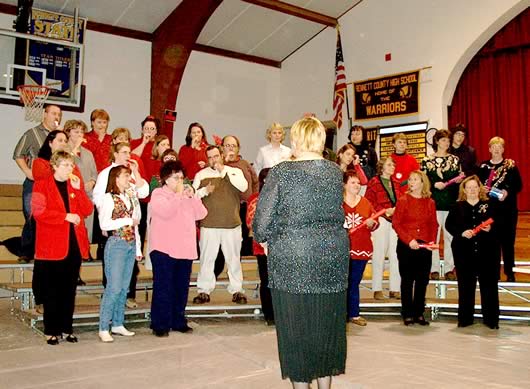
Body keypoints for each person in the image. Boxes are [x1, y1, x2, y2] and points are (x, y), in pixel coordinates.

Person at [253, 116, 349, 388]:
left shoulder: (281, 171)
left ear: (295, 139)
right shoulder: (334, 172)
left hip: (292, 258)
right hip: (331, 256)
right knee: (326, 329)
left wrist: (265, 238)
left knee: (296, 332)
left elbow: (261, 221)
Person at [31, 151, 93, 345]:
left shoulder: (74, 185)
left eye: (71, 165)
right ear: (55, 166)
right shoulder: (42, 185)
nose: (70, 169)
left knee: (69, 290)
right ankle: (51, 330)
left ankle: (67, 328)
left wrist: (80, 190)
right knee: (52, 290)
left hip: (73, 245)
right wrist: (64, 216)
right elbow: (38, 212)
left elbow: (87, 210)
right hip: (51, 246)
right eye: (65, 165)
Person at [149, 161, 207, 337]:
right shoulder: (158, 194)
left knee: (181, 287)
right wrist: (179, 195)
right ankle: (160, 323)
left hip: (185, 248)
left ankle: (178, 320)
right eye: (176, 178)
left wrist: (193, 197)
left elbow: (202, 214)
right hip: (164, 248)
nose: (180, 181)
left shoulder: (185, 195)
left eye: (182, 178)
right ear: (166, 179)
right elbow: (166, 212)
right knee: (163, 286)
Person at [92, 142, 149, 309]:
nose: (127, 155)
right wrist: (105, 222)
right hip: (115, 226)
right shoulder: (106, 173)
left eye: (129, 152)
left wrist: (137, 172)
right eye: (124, 152)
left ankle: (127, 296)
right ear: (115, 154)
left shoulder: (129, 173)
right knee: (112, 266)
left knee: (129, 265)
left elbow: (144, 192)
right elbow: (98, 198)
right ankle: (110, 298)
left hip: (132, 227)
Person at [192, 145, 248, 305]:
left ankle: (237, 290)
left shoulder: (234, 171)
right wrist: (204, 191)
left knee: (234, 259)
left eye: (216, 156)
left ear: (222, 155)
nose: (213, 160)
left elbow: (243, 187)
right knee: (207, 259)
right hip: (209, 224)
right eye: (209, 157)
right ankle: (203, 290)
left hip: (232, 224)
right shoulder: (201, 175)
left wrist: (224, 170)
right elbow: (192, 196)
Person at [445, 176, 500, 329]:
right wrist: (461, 233)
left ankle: (491, 320)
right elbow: (449, 225)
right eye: (469, 188)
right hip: (464, 253)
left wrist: (491, 229)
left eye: (475, 187)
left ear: (479, 188)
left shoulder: (490, 205)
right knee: (465, 287)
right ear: (464, 190)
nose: (472, 190)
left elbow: (501, 223)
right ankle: (465, 319)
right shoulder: (457, 207)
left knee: (489, 287)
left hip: (487, 253)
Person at [97, 165, 142, 342]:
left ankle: (118, 323)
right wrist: (127, 220)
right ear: (115, 178)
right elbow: (104, 224)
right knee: (114, 287)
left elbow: (136, 226)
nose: (128, 179)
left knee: (124, 287)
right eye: (125, 176)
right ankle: (103, 326)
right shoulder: (108, 198)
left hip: (130, 244)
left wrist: (137, 248)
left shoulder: (129, 197)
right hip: (116, 244)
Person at [13, 104, 62, 263]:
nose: (57, 117)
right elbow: (18, 154)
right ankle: (26, 251)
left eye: (59, 114)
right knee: (31, 216)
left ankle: (44, 251)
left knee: (49, 219)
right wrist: (27, 171)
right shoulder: (32, 133)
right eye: (54, 113)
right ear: (44, 114)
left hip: (53, 184)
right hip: (34, 184)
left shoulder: (61, 137)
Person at [392, 170, 438, 326]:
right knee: (407, 280)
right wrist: (409, 239)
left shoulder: (430, 202)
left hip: (424, 245)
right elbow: (396, 223)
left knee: (422, 280)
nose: (411, 182)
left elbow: (434, 224)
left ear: (422, 182)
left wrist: (431, 241)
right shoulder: (403, 200)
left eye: (415, 179)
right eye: (410, 179)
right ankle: (407, 313)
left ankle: (419, 313)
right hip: (407, 245)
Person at [477, 136, 522, 282]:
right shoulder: (483, 167)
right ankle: (493, 273)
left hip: (508, 211)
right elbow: (475, 186)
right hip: (490, 211)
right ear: (489, 149)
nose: (496, 149)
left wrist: (507, 191)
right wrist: (481, 189)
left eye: (499, 146)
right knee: (491, 243)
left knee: (508, 242)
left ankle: (510, 272)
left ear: (503, 149)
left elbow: (519, 185)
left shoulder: (510, 165)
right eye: (493, 146)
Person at [214, 135, 259, 276]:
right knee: (220, 243)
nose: (231, 148)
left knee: (238, 243)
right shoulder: (217, 164)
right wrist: (223, 163)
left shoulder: (245, 164)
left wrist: (253, 200)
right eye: (227, 145)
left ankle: (234, 274)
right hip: (224, 210)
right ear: (222, 148)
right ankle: (215, 272)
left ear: (238, 148)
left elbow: (255, 182)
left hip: (242, 208)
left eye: (233, 145)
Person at [421, 129, 462, 281]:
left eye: (448, 140)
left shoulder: (455, 160)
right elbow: (423, 182)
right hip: (433, 205)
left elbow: (459, 180)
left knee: (451, 237)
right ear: (437, 141)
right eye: (443, 140)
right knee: (434, 238)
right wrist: (433, 184)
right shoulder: (427, 160)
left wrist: (459, 181)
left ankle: (450, 268)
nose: (446, 143)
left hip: (451, 204)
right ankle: (434, 268)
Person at [365, 157, 404, 300]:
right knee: (379, 254)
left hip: (395, 221)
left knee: (395, 255)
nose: (392, 167)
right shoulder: (373, 183)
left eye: (393, 165)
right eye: (389, 164)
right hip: (381, 219)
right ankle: (377, 288)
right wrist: (383, 211)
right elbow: (369, 202)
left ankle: (395, 288)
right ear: (381, 167)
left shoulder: (397, 183)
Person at [343, 170, 377, 326]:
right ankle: (341, 313)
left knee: (354, 281)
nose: (357, 185)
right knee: (342, 282)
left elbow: (375, 221)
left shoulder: (365, 202)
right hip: (341, 249)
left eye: (358, 182)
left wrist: (372, 223)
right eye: (352, 182)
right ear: (344, 184)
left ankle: (354, 314)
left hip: (361, 248)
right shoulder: (338, 203)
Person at [245, 168, 274, 325]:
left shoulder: (281, 198)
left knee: (278, 280)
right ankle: (269, 314)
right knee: (266, 279)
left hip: (279, 245)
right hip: (261, 245)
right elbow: (251, 222)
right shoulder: (255, 199)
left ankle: (279, 312)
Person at [63, 120, 97, 245]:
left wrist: (92, 182)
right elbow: (65, 165)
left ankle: (85, 249)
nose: (79, 134)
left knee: (87, 225)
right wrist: (75, 147)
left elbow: (94, 173)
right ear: (68, 133)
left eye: (82, 132)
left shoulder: (88, 153)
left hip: (86, 194)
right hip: (70, 194)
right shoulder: (62, 150)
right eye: (76, 131)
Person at [83, 109, 112, 173]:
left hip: (107, 173)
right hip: (89, 172)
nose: (102, 125)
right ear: (92, 123)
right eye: (99, 122)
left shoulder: (111, 138)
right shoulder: (85, 137)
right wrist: (100, 138)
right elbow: (86, 156)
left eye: (104, 122)